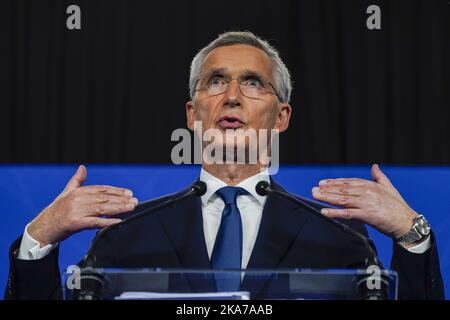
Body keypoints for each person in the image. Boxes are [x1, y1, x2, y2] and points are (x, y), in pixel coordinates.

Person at [5, 31, 444, 300]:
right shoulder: (126, 233)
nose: (232, 95)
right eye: (216, 81)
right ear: (193, 115)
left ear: (282, 116)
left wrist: (411, 235)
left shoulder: (339, 236)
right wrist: (39, 238)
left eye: (253, 83)